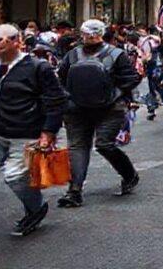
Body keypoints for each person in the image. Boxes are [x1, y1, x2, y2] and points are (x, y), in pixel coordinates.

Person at [0, 24, 67, 236]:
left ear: (16, 41)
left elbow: (56, 101)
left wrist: (48, 132)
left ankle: (36, 209)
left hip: (24, 133)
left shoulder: (38, 67)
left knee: (15, 177)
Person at [57, 20, 141, 208]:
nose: (89, 38)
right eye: (86, 34)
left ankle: (129, 174)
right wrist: (67, 99)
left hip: (109, 109)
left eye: (93, 34)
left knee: (104, 145)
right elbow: (61, 79)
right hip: (77, 109)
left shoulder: (116, 54)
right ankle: (74, 191)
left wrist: (114, 94)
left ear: (101, 34)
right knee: (77, 147)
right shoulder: (73, 55)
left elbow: (131, 77)